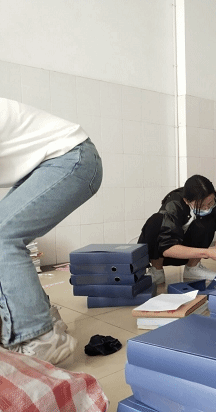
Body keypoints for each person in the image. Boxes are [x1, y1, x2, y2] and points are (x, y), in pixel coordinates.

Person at [0, 98, 102, 364]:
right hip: (51, 162)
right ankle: (43, 321)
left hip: (70, 157)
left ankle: (40, 337)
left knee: (2, 235)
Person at [138, 175, 216, 283]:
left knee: (208, 220)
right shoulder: (173, 205)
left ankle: (193, 268)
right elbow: (167, 248)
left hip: (191, 250)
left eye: (210, 203)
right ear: (186, 201)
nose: (207, 207)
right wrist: (208, 253)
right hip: (168, 252)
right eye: (201, 205)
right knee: (156, 221)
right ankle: (157, 270)